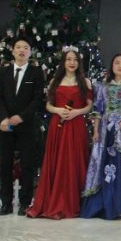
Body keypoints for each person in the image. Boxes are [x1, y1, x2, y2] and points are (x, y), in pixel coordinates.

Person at [27, 46, 92, 219]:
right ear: (63, 62)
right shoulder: (55, 81)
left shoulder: (85, 82)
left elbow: (89, 105)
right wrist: (58, 110)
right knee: (56, 161)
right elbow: (48, 105)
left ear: (79, 63)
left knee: (74, 161)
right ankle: (53, 201)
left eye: (75, 60)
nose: (72, 62)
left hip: (77, 125)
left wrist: (76, 112)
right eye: (68, 59)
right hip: (58, 126)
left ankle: (73, 203)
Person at [81, 53, 121, 219]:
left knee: (119, 166)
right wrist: (96, 131)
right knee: (101, 165)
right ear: (112, 66)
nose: (120, 66)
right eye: (117, 62)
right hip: (105, 131)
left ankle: (118, 207)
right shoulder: (102, 87)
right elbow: (98, 110)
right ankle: (101, 207)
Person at [0, 36, 45, 216]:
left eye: (25, 47)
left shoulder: (36, 73)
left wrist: (21, 117)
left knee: (27, 164)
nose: (22, 50)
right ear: (13, 51)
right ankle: (6, 203)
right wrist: (5, 118)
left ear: (30, 52)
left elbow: (37, 99)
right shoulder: (4, 72)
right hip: (6, 125)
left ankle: (25, 202)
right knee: (6, 164)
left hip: (26, 125)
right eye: (18, 47)